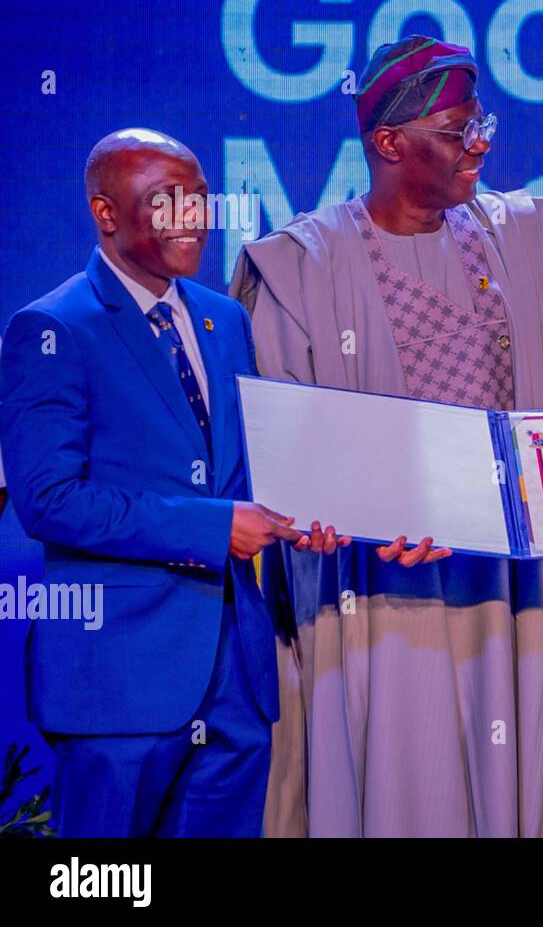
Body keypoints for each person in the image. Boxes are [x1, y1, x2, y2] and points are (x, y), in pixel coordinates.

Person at [230, 35, 543, 837]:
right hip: (374, 583)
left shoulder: (514, 235)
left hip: (501, 583)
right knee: (398, 778)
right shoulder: (300, 265)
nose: (482, 144)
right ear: (390, 144)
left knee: (502, 775)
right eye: (459, 132)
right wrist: (331, 512)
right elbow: (280, 445)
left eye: (481, 122)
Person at [0, 128, 322, 836]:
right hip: (118, 686)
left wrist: (318, 509)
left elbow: (252, 469)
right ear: (105, 213)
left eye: (201, 200)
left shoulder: (226, 319)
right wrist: (213, 527)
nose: (192, 219)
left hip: (235, 679)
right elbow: (48, 500)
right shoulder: (51, 329)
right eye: (166, 202)